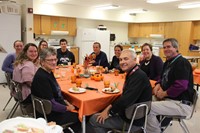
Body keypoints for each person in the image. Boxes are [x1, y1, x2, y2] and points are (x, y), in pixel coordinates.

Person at [88, 49, 152, 133]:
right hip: (129, 114)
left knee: (93, 119)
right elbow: (125, 98)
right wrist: (109, 108)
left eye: (126, 59)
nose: (122, 62)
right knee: (102, 111)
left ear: (134, 60)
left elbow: (125, 100)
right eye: (121, 59)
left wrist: (109, 112)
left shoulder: (138, 76)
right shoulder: (134, 74)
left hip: (131, 120)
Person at [146, 38, 195, 133]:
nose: (165, 49)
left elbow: (181, 85)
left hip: (181, 104)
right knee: (142, 101)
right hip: (171, 99)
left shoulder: (182, 62)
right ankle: (148, 127)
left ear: (176, 48)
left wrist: (164, 93)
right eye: (164, 47)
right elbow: (163, 76)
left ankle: (154, 131)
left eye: (169, 47)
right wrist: (158, 84)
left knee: (146, 108)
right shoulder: (168, 62)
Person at [31, 47, 81, 133]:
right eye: (50, 60)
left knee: (77, 105)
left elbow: (56, 95)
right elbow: (52, 105)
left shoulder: (47, 72)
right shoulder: (42, 78)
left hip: (49, 110)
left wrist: (66, 102)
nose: (54, 62)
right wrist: (67, 108)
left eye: (55, 59)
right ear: (42, 61)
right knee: (83, 115)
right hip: (50, 114)